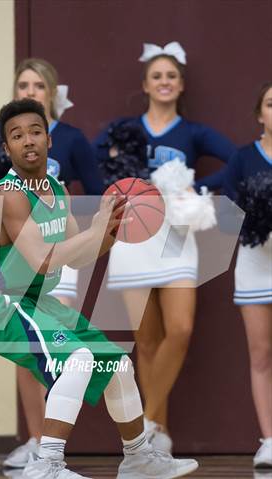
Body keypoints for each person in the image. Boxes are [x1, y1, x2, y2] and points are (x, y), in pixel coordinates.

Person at [0, 98, 198, 479]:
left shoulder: (57, 189)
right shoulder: (9, 195)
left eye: (35, 132)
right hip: (3, 307)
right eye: (17, 135)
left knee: (115, 364)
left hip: (36, 304)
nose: (28, 140)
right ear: (6, 148)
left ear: (49, 140)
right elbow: (43, 260)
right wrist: (95, 232)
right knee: (77, 360)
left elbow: (80, 255)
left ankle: (138, 457)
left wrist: (112, 229)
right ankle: (46, 464)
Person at [93, 42, 236, 452]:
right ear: (145, 84)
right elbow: (93, 158)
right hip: (133, 238)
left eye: (171, 76)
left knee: (181, 329)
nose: (164, 82)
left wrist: (199, 191)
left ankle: (148, 423)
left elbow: (237, 160)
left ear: (181, 84)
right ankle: (157, 437)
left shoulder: (193, 132)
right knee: (149, 341)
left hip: (176, 236)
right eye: (157, 76)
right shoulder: (124, 129)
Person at [0, 58, 104, 468]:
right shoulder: (6, 141)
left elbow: (94, 192)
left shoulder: (71, 141)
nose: (30, 91)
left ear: (52, 94)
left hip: (57, 259)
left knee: (61, 354)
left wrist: (100, 226)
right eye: (22, 85)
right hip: (23, 265)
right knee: (37, 354)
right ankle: (38, 443)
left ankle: (55, 446)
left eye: (38, 85)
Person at [223, 82, 272, 469]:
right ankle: (269, 440)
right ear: (260, 114)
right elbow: (227, 217)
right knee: (261, 355)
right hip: (256, 264)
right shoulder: (242, 159)